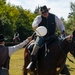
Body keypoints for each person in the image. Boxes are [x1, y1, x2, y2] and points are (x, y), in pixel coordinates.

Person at [26, 5, 66, 72]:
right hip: (42, 37)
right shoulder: (39, 18)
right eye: (43, 12)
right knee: (36, 47)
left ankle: (63, 66)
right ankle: (32, 63)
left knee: (62, 47)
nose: (44, 13)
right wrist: (36, 26)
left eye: (46, 11)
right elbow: (34, 24)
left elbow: (60, 25)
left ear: (48, 11)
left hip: (53, 36)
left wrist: (62, 31)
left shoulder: (54, 17)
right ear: (41, 13)